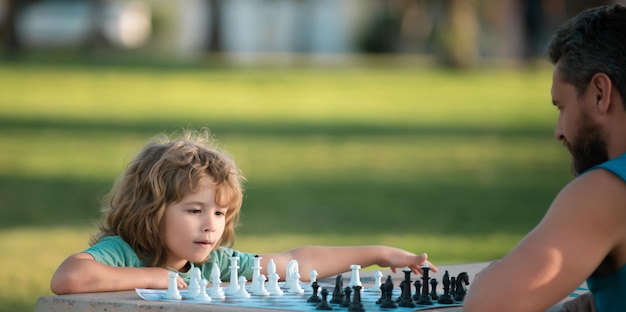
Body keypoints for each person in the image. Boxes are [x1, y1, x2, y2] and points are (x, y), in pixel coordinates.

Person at [50, 129, 436, 295]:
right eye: (195, 210)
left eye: (219, 214)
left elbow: (294, 263)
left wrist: (380, 254)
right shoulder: (124, 252)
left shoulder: (215, 263)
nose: (210, 226)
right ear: (152, 210)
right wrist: (152, 276)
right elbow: (69, 277)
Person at [464, 4, 626, 312]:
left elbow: (486, 306)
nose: (558, 132)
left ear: (600, 94)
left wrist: (491, 277)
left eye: (561, 107)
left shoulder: (607, 190)